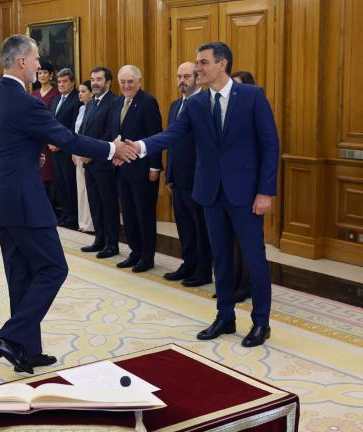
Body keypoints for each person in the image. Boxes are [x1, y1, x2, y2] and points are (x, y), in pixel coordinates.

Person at [0, 34, 136, 374]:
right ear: (21, 62)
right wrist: (111, 149)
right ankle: (10, 336)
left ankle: (26, 350)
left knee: (20, 273)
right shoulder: (26, 102)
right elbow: (66, 138)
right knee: (53, 269)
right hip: (24, 202)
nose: (38, 65)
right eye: (34, 59)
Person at [125, 42, 279, 347]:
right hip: (210, 193)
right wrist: (139, 148)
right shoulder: (195, 103)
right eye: (197, 62)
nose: (198, 68)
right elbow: (172, 134)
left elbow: (269, 145)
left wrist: (265, 191)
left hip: (246, 195)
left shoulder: (251, 96)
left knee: (254, 258)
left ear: (222, 64)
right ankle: (225, 316)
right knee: (219, 257)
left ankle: (261, 322)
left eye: (203, 62)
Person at [162, 63, 212, 287]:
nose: (182, 80)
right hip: (178, 179)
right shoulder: (175, 106)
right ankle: (188, 263)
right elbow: (172, 142)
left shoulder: (205, 104)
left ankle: (203, 270)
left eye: (187, 76)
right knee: (184, 226)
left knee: (200, 228)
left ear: (197, 78)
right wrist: (169, 174)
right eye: (179, 76)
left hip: (198, 179)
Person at [109, 65, 163, 273]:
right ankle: (135, 252)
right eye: (123, 82)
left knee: (144, 214)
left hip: (143, 170)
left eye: (130, 81)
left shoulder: (148, 102)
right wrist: (114, 152)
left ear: (139, 82)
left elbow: (155, 136)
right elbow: (114, 132)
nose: (126, 85)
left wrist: (155, 166)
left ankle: (147, 256)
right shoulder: (116, 102)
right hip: (121, 168)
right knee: (129, 214)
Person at [79, 66, 119, 259]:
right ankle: (100, 239)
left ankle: (112, 244)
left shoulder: (114, 102)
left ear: (108, 82)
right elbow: (86, 132)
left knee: (108, 204)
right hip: (89, 163)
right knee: (95, 203)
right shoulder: (90, 103)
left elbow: (110, 134)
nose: (95, 83)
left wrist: (92, 154)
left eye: (99, 79)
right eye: (93, 79)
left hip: (104, 163)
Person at [228, 70, 257, 303]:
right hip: (225, 189)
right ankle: (232, 283)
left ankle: (246, 285)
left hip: (247, 189)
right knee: (229, 241)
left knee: (246, 242)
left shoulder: (255, 112)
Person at [49, 68, 80, 230]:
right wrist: (50, 141)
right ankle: (65, 214)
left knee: (70, 185)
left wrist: (59, 143)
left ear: (72, 82)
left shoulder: (76, 100)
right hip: (54, 151)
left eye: (65, 81)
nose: (61, 84)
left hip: (67, 150)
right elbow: (51, 124)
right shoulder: (55, 99)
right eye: (59, 82)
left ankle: (74, 217)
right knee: (60, 184)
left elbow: (74, 127)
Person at [31, 62, 59, 206]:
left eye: (44, 73)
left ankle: (53, 208)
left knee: (51, 175)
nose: (41, 76)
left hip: (50, 140)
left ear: (51, 75)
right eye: (39, 73)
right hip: (37, 140)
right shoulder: (33, 94)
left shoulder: (56, 93)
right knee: (38, 175)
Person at [72, 80, 94, 232]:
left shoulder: (92, 109)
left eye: (84, 91)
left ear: (92, 93)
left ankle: (90, 224)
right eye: (79, 91)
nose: (80, 94)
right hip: (78, 153)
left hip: (88, 154)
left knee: (89, 190)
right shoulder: (81, 109)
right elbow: (76, 132)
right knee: (81, 189)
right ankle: (83, 222)